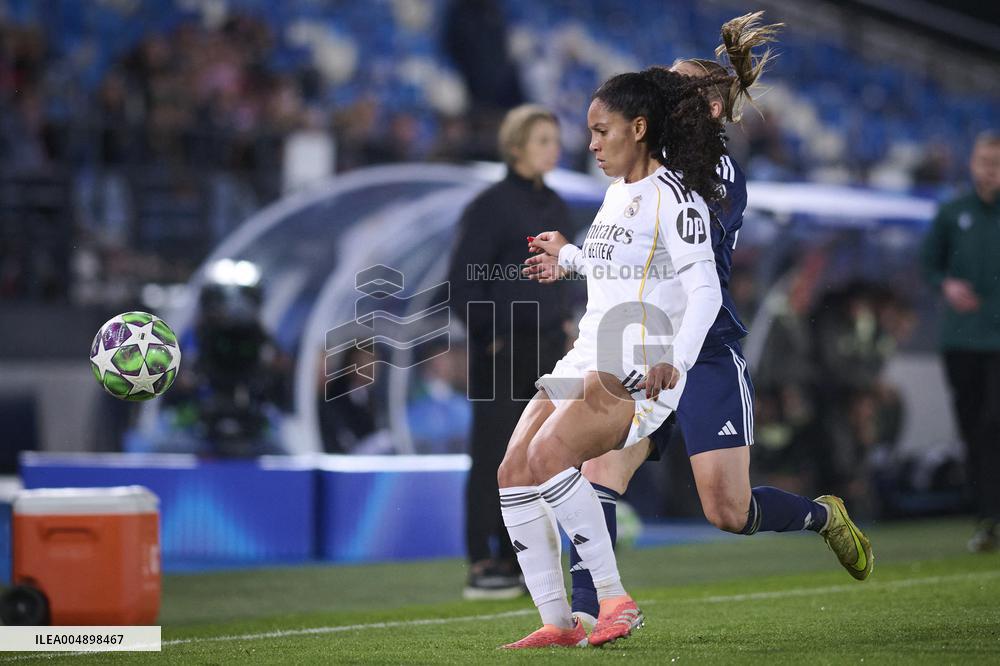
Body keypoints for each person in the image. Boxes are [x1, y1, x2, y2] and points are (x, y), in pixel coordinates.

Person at [524, 12, 874, 633]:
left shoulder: (715, 176)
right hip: (640, 349)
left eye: (676, 90)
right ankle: (592, 611)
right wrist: (575, 259)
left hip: (701, 352)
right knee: (597, 471)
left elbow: (684, 274)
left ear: (709, 109)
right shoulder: (642, 170)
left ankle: (824, 517)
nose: (662, 97)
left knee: (728, 511)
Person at [495, 65, 742, 649]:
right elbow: (616, 270)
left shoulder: (678, 200)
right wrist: (570, 257)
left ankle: (615, 600)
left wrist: (677, 360)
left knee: (553, 456)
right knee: (514, 471)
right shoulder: (617, 194)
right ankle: (558, 623)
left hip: (638, 360)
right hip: (589, 351)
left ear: (638, 127)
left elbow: (705, 290)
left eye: (601, 130)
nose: (592, 143)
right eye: (590, 131)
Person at [445, 104, 574, 599]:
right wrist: (490, 336)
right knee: (494, 456)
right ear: (516, 146)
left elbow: (562, 274)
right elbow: (461, 282)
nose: (553, 148)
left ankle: (526, 562)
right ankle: (483, 559)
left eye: (554, 139)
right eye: (542, 140)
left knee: (542, 456)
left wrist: (564, 324)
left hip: (546, 349)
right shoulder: (491, 205)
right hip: (500, 350)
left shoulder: (559, 206)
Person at [921, 130, 1000, 552]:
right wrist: (945, 285)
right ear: (973, 164)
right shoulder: (953, 213)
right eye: (985, 161)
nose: (990, 170)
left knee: (993, 421)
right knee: (975, 429)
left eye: (997, 163)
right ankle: (986, 517)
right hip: (963, 339)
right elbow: (928, 262)